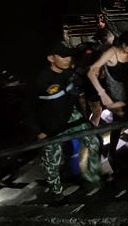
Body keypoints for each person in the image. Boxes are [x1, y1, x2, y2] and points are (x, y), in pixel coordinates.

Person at [26, 42, 101, 204]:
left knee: (94, 141)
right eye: (63, 56)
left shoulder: (69, 74)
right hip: (50, 125)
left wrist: (82, 116)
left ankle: (91, 176)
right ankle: (57, 193)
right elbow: (28, 110)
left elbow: (74, 97)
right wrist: (39, 132)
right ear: (51, 58)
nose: (68, 59)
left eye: (69, 55)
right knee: (51, 161)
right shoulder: (40, 81)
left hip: (71, 117)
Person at [87, 30, 128, 161]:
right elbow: (91, 71)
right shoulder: (110, 53)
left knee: (121, 124)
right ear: (123, 44)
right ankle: (119, 151)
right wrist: (102, 93)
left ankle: (115, 151)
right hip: (115, 96)